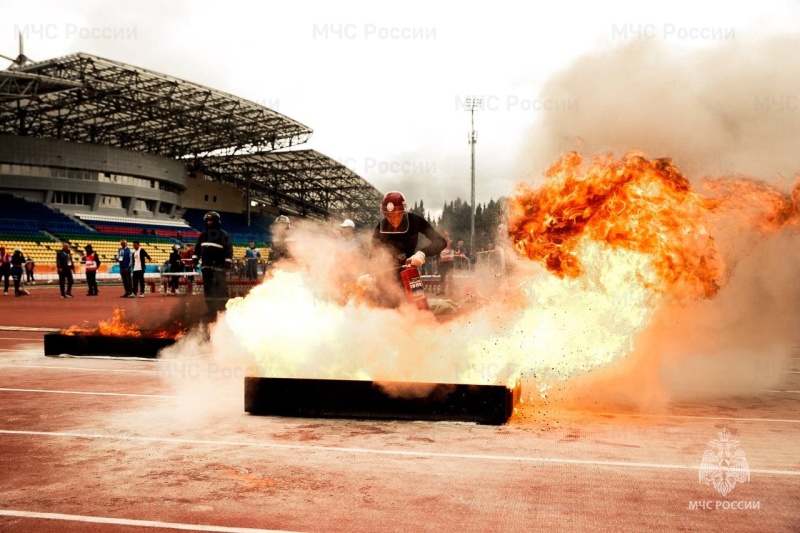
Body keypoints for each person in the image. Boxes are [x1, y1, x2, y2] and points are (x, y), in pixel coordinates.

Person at [367, 191, 446, 307]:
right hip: (387, 274)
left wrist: (422, 253)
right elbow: (373, 254)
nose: (393, 219)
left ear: (403, 212)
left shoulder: (415, 221)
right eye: (389, 216)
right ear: (384, 214)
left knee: (416, 308)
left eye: (396, 215)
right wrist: (369, 274)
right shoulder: (380, 228)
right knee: (386, 310)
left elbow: (441, 242)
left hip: (409, 272)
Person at [192, 211, 233, 318]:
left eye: (211, 221)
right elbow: (197, 249)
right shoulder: (203, 234)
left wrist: (226, 265)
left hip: (219, 268)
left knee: (221, 289)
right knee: (208, 290)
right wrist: (194, 260)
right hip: (206, 268)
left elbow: (229, 251)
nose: (209, 223)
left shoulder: (223, 235)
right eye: (207, 221)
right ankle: (211, 311)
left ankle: (223, 311)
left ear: (216, 221)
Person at [438, 231, 455, 296]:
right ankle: (442, 291)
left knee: (450, 277)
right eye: (444, 236)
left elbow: (455, 248)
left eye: (446, 236)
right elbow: (438, 253)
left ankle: (451, 291)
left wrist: (450, 241)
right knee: (442, 277)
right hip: (443, 262)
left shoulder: (451, 243)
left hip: (450, 262)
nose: (445, 238)